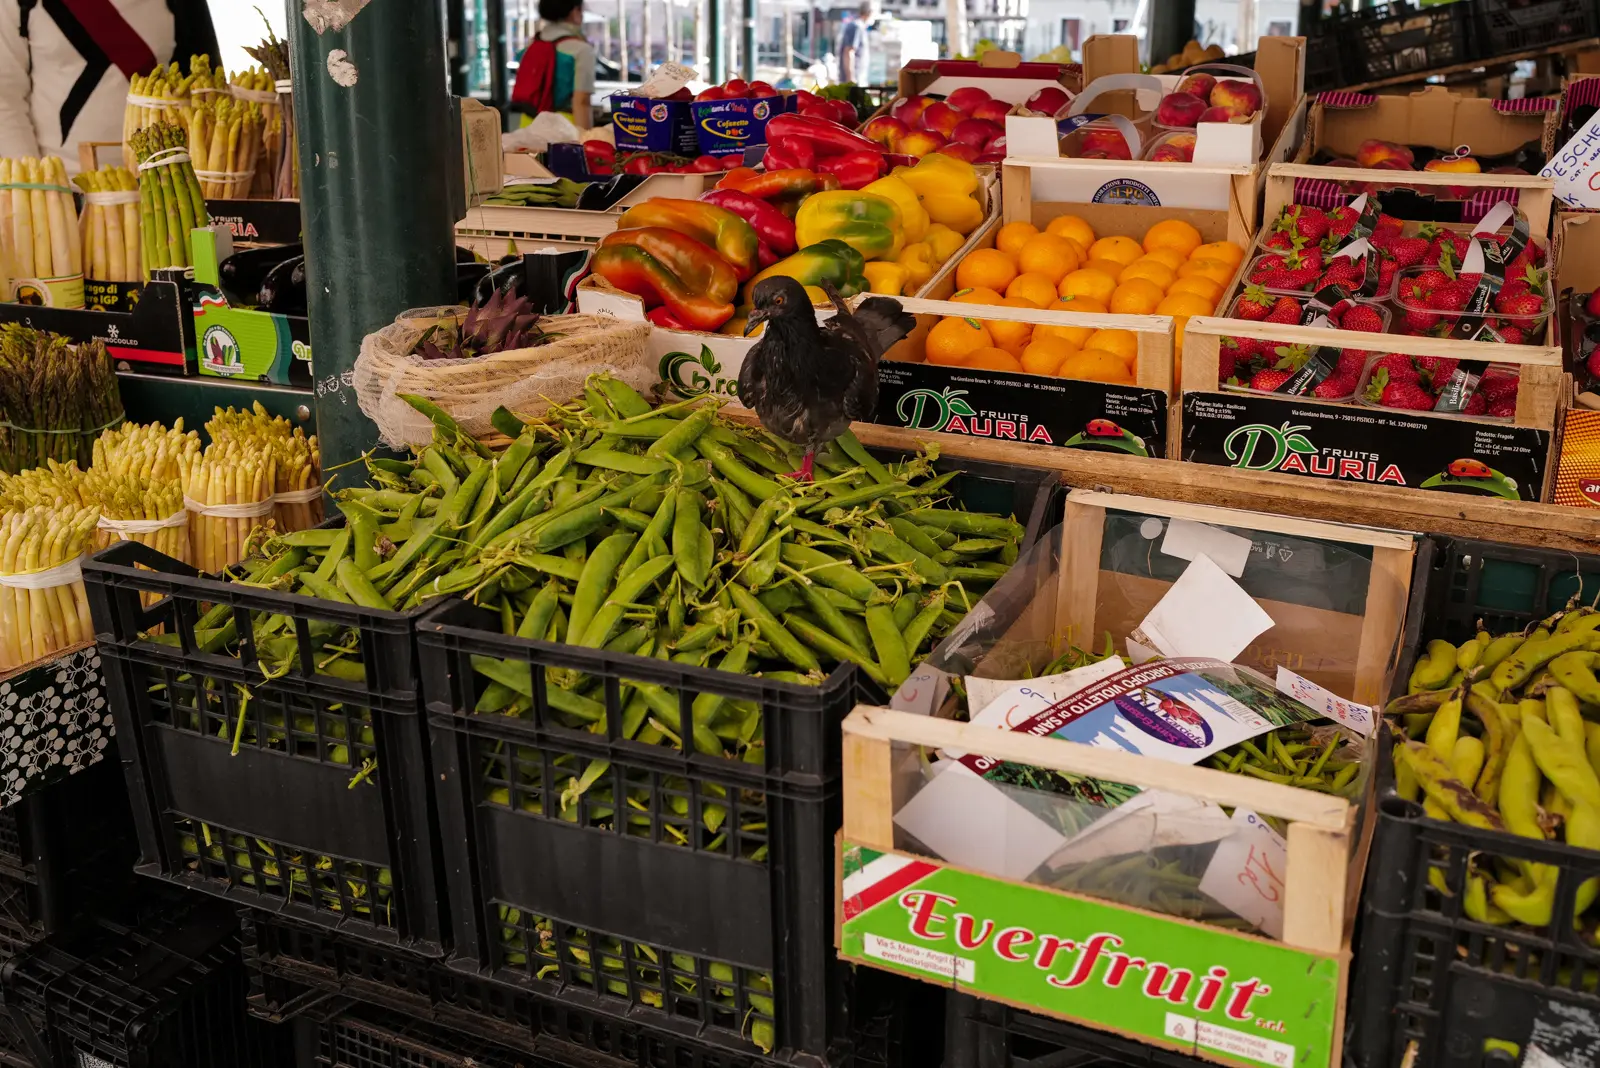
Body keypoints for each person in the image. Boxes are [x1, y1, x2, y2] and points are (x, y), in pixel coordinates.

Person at [0, 0, 217, 172]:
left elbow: (207, 90)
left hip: (165, 185)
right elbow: (5, 98)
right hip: (64, 190)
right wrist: (38, 189)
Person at [510, 0, 597, 130]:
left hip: (528, 127)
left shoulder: (531, 46)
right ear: (574, 12)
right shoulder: (581, 50)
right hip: (564, 130)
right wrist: (586, 138)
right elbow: (581, 101)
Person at [836, 0, 872, 85]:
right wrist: (850, 78)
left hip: (859, 77)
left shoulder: (861, 27)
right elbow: (848, 52)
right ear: (869, 12)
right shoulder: (856, 26)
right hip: (853, 79)